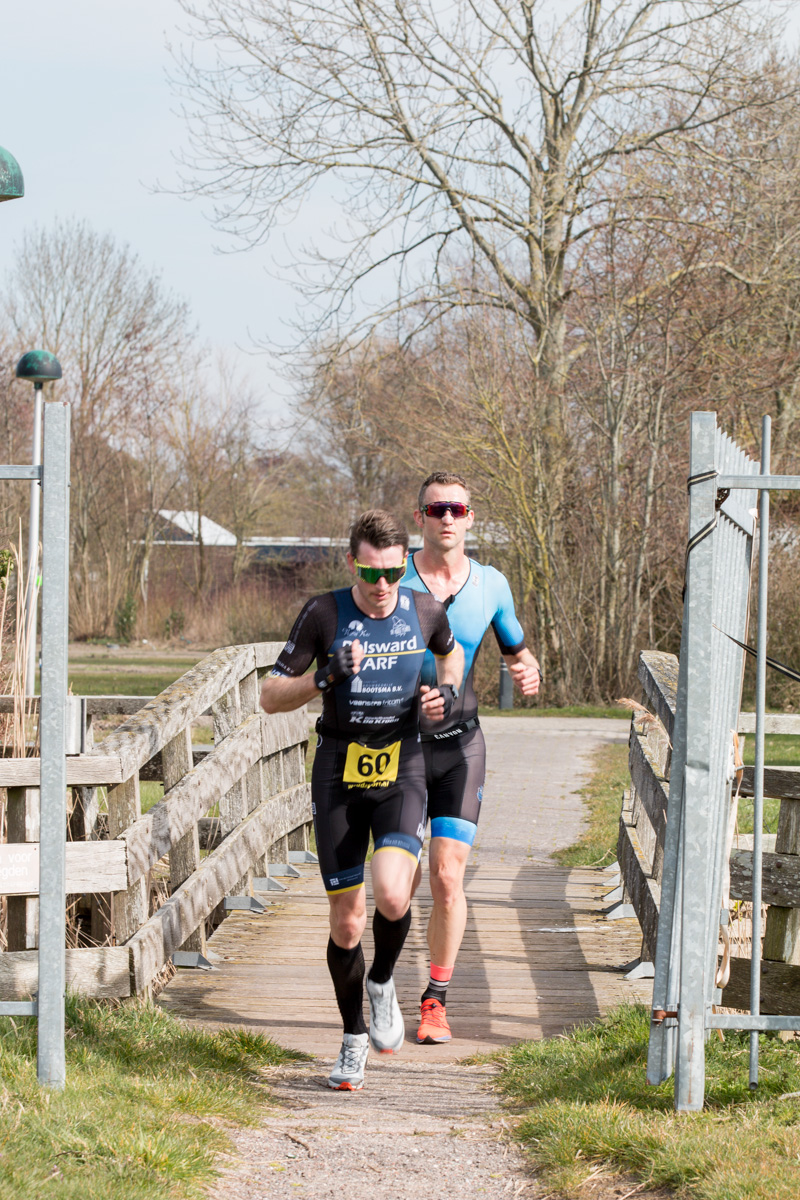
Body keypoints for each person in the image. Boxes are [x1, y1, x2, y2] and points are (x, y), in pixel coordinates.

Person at [260, 509, 463, 1090]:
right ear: (353, 564)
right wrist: (323, 678)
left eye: (393, 573)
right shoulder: (323, 613)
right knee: (347, 923)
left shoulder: (425, 610)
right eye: (371, 573)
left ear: (404, 567)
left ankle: (382, 980)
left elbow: (448, 653)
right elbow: (270, 695)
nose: (382, 586)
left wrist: (445, 694)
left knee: (394, 894)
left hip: (402, 768)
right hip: (338, 775)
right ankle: (352, 1039)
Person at [405, 471, 541, 1044]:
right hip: (398, 747)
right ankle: (381, 978)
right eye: (437, 509)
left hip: (461, 746)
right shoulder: (393, 579)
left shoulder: (491, 584)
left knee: (446, 876)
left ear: (470, 518)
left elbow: (516, 650)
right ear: (420, 518)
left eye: (456, 509)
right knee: (399, 881)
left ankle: (435, 999)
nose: (447, 518)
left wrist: (528, 671)